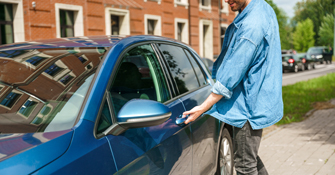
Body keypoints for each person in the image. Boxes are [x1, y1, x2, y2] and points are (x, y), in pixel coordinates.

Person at [182, 0, 283, 174]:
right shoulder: (262, 7)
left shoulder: (252, 26)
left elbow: (231, 74)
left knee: (245, 164)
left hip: (247, 109)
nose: (225, 1)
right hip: (257, 101)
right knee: (249, 159)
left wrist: (203, 107)